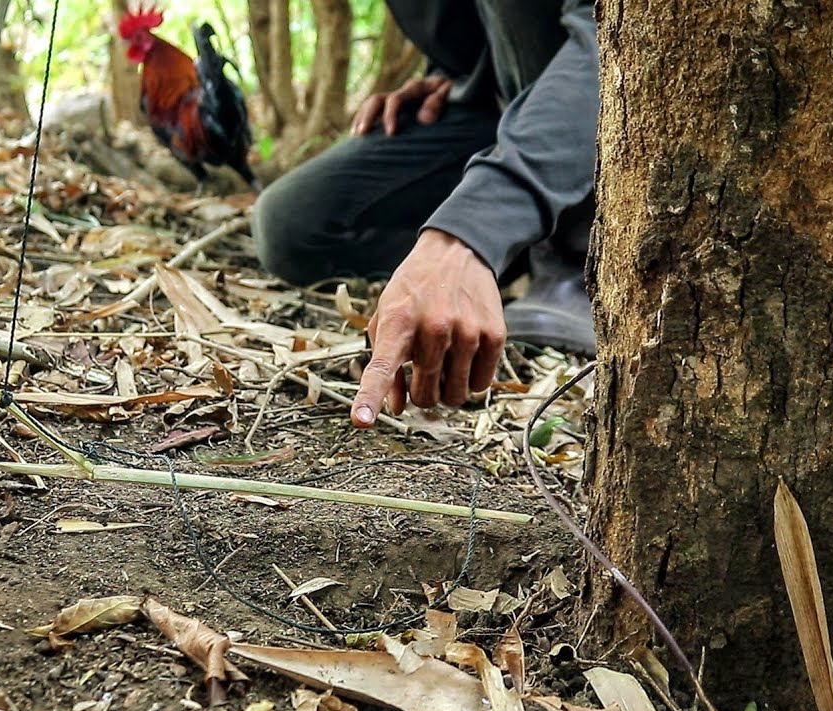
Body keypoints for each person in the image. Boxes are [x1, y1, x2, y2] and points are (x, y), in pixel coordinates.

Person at [250, 0, 599, 428]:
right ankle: (516, 248)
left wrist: (467, 235)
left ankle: (574, 262)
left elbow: (607, 36)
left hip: (595, 105)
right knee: (294, 224)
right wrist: (455, 76)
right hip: (491, 110)